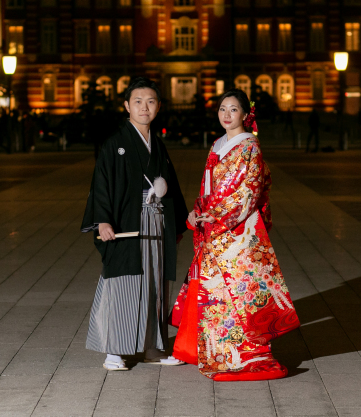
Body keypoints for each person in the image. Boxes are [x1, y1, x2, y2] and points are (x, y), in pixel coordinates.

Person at [172, 89, 299, 381]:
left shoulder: (250, 146)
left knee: (237, 296)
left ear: (245, 114)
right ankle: (210, 350)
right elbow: (208, 189)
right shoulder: (218, 144)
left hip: (236, 232)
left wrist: (217, 216)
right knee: (213, 294)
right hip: (213, 227)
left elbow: (249, 190)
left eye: (233, 110)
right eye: (222, 109)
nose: (226, 115)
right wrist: (197, 211)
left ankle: (244, 355)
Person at [81, 77, 189, 371]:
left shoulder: (159, 145)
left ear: (158, 106)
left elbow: (173, 187)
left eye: (151, 102)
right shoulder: (115, 143)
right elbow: (101, 183)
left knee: (156, 284)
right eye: (138, 102)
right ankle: (114, 351)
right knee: (123, 284)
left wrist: (179, 222)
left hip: (156, 223)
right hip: (126, 223)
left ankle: (153, 348)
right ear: (127, 105)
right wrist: (102, 219)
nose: (144, 107)